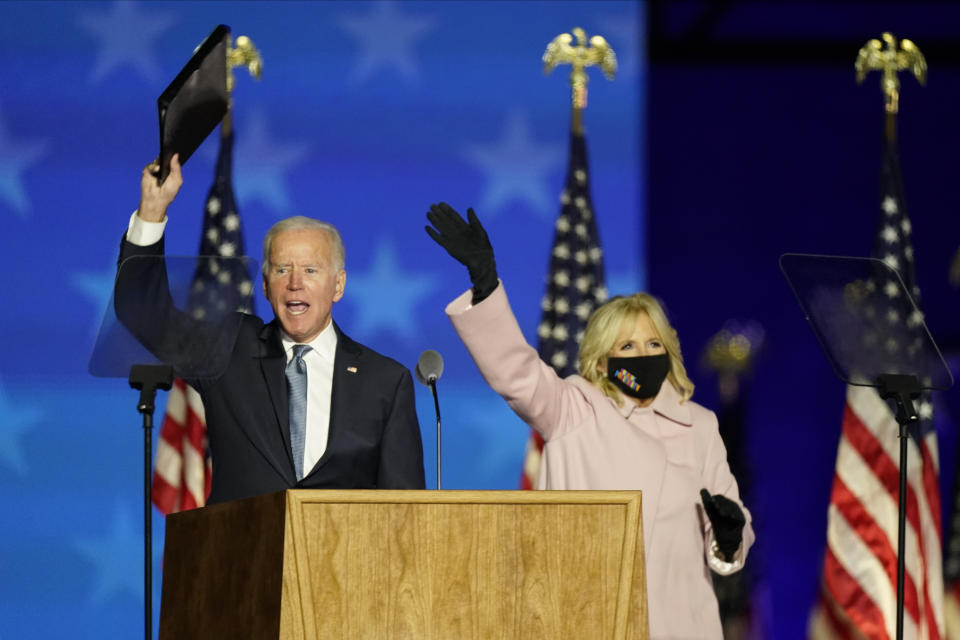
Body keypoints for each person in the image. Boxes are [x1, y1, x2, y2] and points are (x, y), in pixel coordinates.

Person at [425, 202, 752, 639]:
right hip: (590, 623)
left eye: (653, 344)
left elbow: (728, 535)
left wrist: (731, 535)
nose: (643, 356)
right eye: (628, 347)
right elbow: (517, 374)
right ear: (603, 360)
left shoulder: (700, 426)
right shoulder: (574, 408)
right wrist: (485, 284)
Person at [117, 154, 425, 504]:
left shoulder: (385, 380)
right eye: (282, 270)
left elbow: (406, 510)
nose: (295, 283)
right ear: (264, 286)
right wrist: (152, 212)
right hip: (244, 553)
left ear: (338, 286)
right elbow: (143, 313)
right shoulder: (229, 349)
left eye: (310, 270)